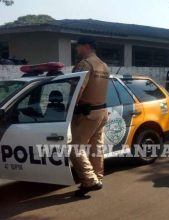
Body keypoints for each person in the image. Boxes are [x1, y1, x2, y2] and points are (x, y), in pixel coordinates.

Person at [70, 36, 109, 197]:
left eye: (77, 47)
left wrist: (69, 107)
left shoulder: (85, 64)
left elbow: (78, 89)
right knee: (96, 147)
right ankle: (97, 178)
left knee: (75, 148)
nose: (76, 50)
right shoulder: (104, 65)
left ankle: (89, 179)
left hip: (86, 113)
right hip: (101, 112)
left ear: (85, 46)